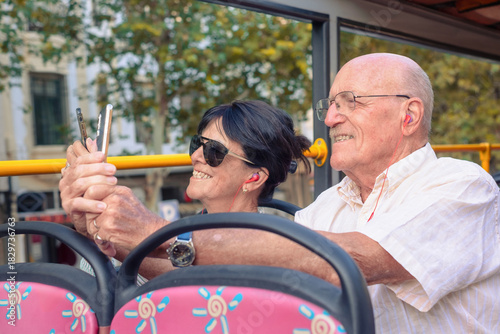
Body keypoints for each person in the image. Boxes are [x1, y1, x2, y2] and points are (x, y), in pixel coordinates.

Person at [62, 53, 500, 333]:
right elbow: (235, 280)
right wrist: (111, 234)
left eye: (350, 102)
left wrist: (156, 232)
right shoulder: (326, 207)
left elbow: (346, 261)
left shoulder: (463, 186)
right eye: (330, 105)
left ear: (409, 115)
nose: (329, 119)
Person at [60, 100, 311, 278]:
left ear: (255, 177)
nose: (196, 157)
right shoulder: (177, 231)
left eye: (214, 151)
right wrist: (91, 224)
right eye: (197, 144)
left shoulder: (277, 246)